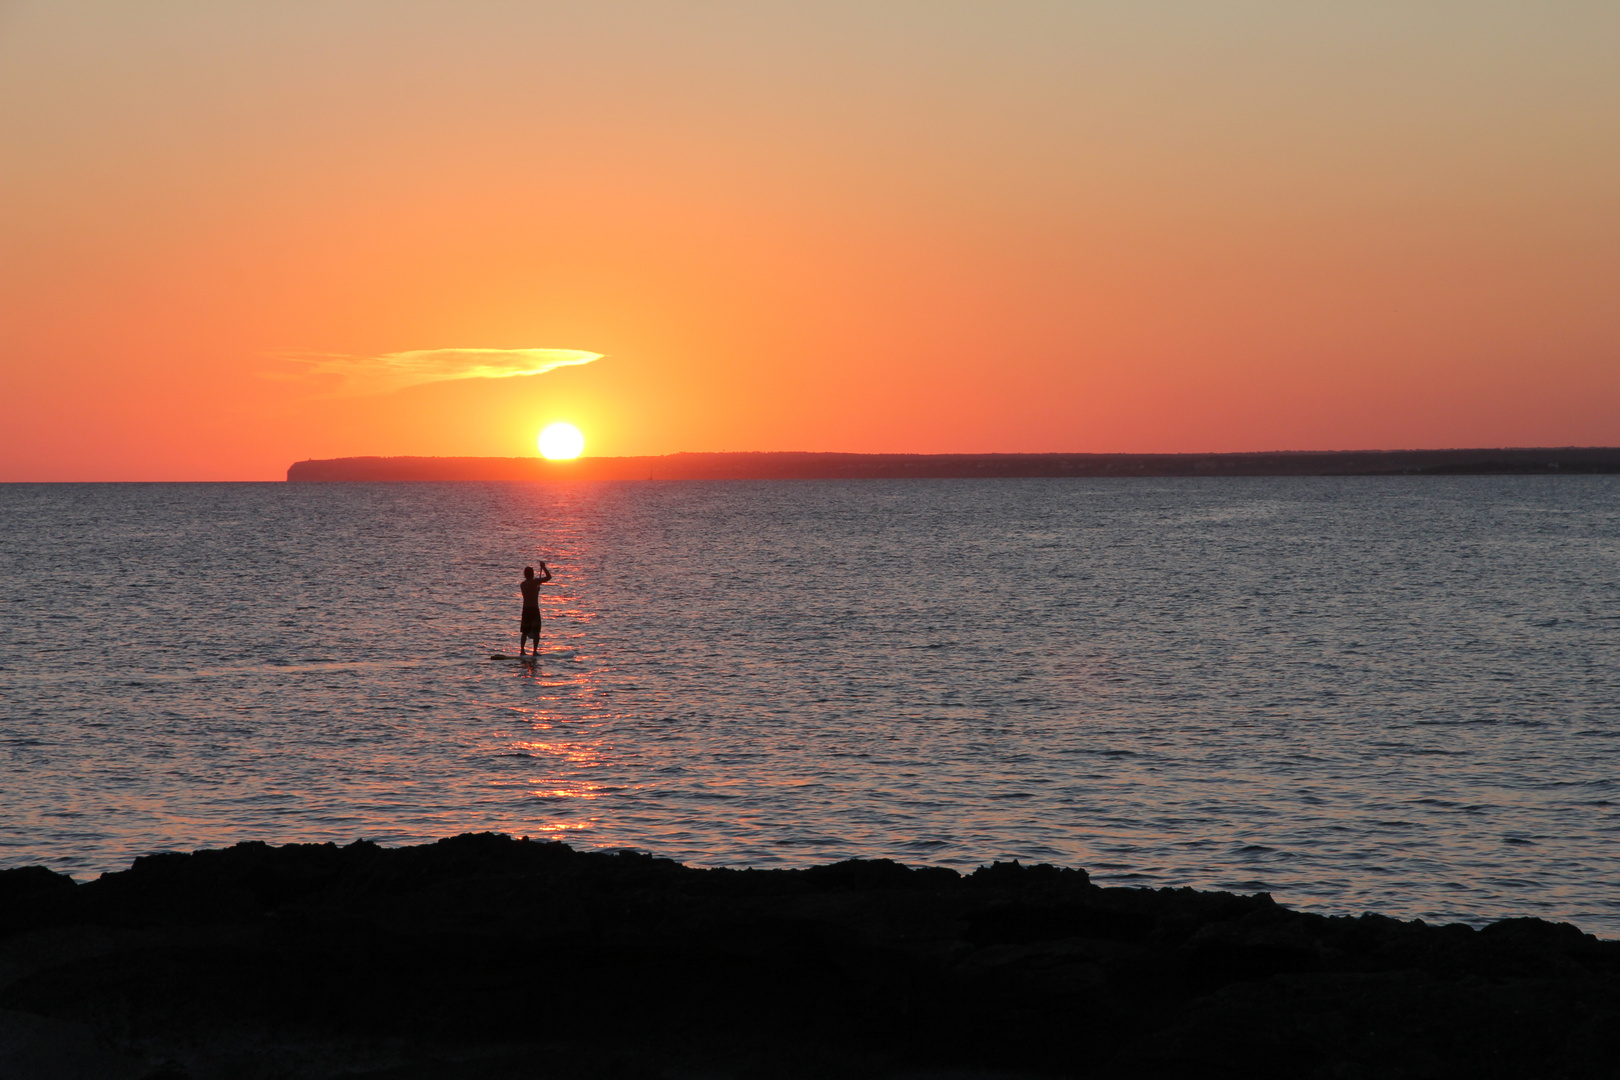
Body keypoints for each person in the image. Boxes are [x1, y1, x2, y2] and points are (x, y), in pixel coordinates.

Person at [518, 562, 551, 656]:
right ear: (532, 574)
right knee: (536, 631)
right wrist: (544, 567)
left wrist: (536, 591)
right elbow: (549, 577)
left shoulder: (522, 584)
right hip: (534, 609)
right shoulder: (535, 582)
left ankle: (522, 651)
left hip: (525, 610)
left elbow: (530, 594)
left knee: (524, 632)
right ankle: (534, 651)